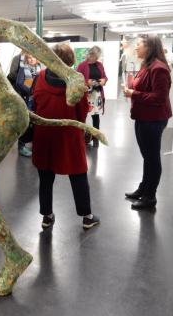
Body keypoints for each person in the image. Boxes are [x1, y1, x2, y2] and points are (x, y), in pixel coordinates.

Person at [32, 44, 100, 230]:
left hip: (44, 133)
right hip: (68, 134)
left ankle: (47, 216)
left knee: (45, 177)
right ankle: (87, 217)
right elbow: (81, 112)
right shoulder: (76, 80)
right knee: (78, 175)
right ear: (70, 60)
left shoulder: (40, 77)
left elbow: (36, 103)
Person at [123, 35, 172, 210]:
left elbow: (159, 98)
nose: (136, 48)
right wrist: (131, 89)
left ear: (149, 47)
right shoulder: (147, 66)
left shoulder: (159, 68)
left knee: (152, 158)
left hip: (153, 119)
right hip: (143, 117)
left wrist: (133, 94)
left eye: (139, 45)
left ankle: (150, 196)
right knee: (147, 157)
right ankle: (144, 188)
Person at [77, 46, 108, 147]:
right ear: (90, 54)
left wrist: (104, 80)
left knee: (95, 115)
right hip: (86, 94)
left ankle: (96, 136)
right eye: (93, 55)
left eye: (96, 56)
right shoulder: (82, 66)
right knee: (83, 114)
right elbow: (77, 80)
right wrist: (87, 82)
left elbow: (104, 77)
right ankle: (80, 135)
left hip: (96, 94)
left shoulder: (99, 65)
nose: (94, 58)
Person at [15, 54, 41, 156]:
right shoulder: (23, 69)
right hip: (27, 99)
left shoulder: (39, 69)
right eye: (29, 58)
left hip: (36, 100)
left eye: (33, 57)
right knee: (25, 123)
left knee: (35, 123)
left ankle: (34, 144)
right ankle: (21, 147)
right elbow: (19, 83)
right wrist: (31, 90)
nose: (31, 59)